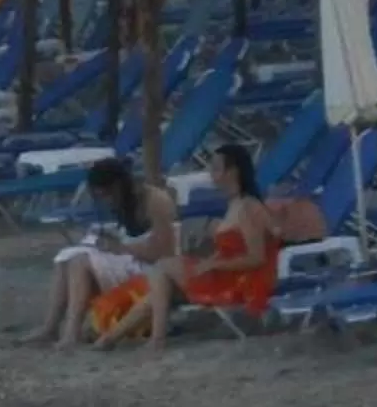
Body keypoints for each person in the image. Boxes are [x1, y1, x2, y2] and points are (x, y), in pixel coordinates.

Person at [95, 139, 276, 348]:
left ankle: (155, 339)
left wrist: (214, 264)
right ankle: (111, 338)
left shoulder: (247, 207)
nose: (210, 173)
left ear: (233, 172)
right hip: (226, 273)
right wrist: (212, 260)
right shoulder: (236, 203)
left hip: (238, 281)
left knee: (162, 267)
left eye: (216, 168)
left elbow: (257, 257)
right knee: (161, 288)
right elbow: (235, 248)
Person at [35, 155, 178, 346]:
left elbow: (164, 254)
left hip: (151, 271)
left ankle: (71, 333)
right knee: (66, 259)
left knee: (79, 261)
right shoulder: (125, 202)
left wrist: (120, 248)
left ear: (118, 187)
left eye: (106, 195)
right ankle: (50, 328)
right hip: (132, 261)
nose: (106, 202)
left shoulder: (155, 201)